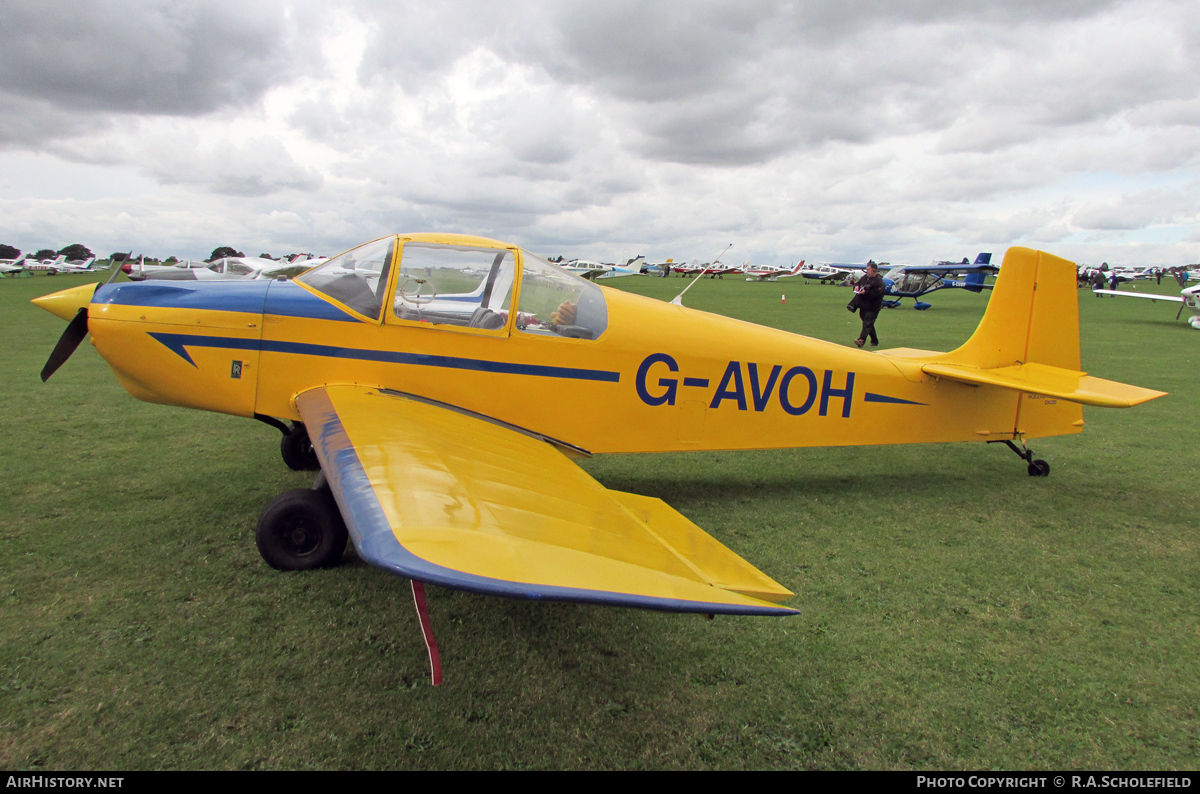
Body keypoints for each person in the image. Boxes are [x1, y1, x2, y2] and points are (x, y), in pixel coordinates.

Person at [853, 261, 885, 347]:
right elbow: (858, 283)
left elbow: (877, 294)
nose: (867, 271)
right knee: (868, 323)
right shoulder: (865, 278)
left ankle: (861, 340)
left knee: (867, 323)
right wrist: (857, 287)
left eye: (868, 270)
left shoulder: (879, 282)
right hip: (863, 305)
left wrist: (865, 293)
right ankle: (874, 341)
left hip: (873, 307)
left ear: (874, 271)